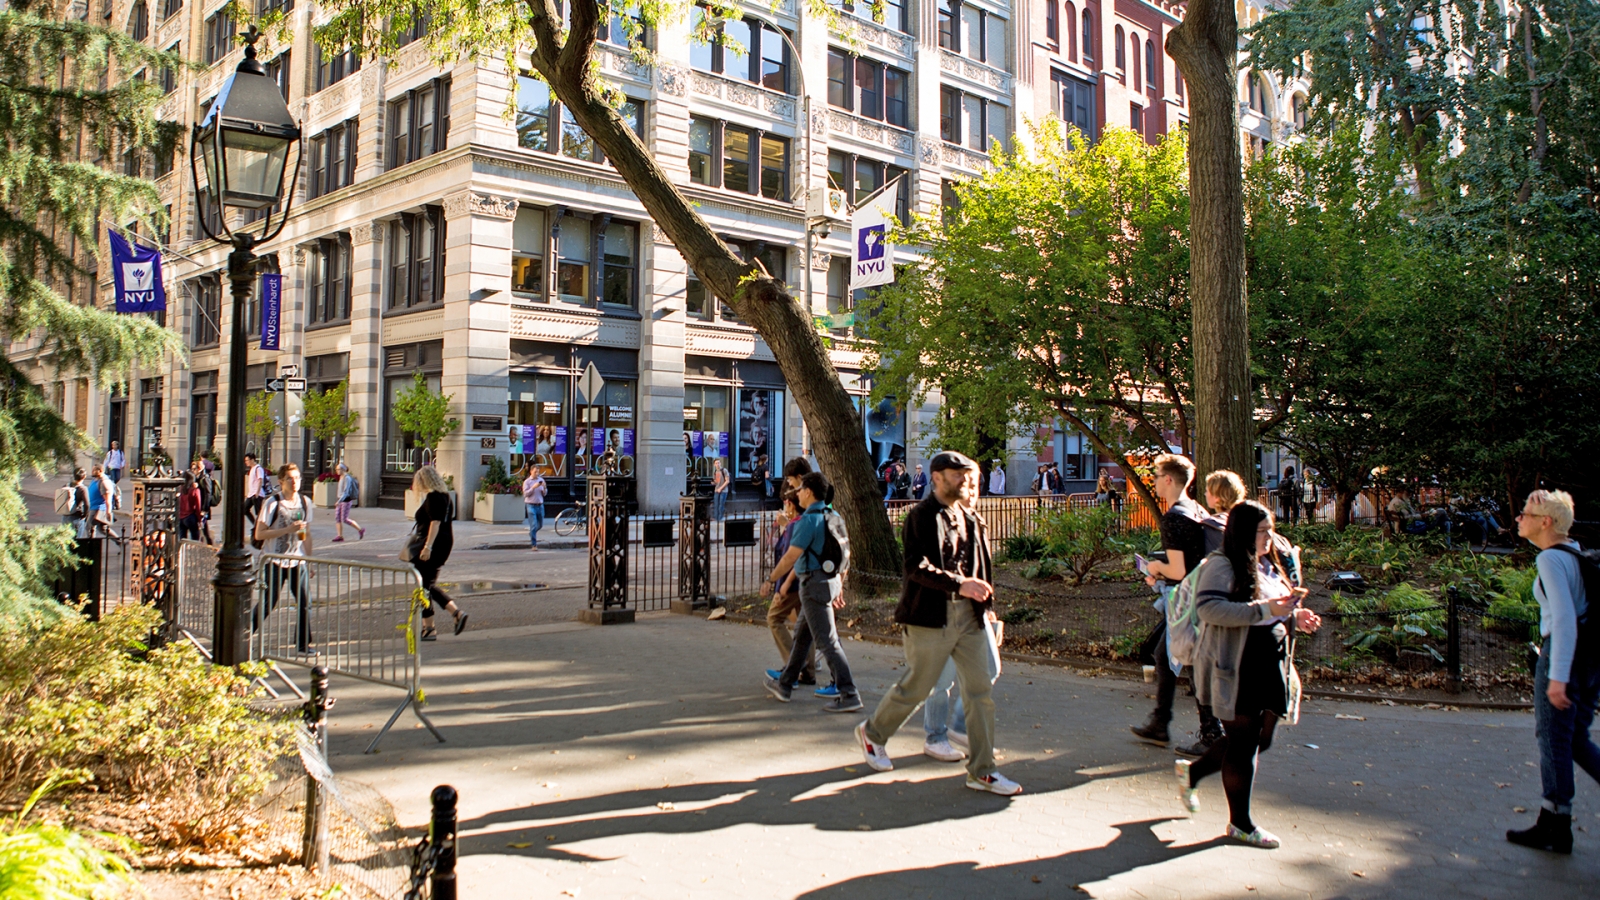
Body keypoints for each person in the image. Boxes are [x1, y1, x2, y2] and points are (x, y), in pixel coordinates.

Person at [853, 451, 1020, 794]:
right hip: (930, 617)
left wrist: (987, 608)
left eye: (965, 475)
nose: (964, 481)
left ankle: (982, 771)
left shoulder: (970, 517)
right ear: (938, 477)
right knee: (917, 686)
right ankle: (873, 734)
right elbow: (915, 566)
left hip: (969, 618)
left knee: (979, 691)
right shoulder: (920, 516)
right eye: (957, 475)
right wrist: (961, 584)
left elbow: (980, 570)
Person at [1176, 501, 1322, 848]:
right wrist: (1266, 610)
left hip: (1272, 661)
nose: (1269, 537)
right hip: (1238, 664)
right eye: (1262, 531)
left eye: (1271, 529)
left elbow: (1277, 605)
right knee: (1244, 743)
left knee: (1262, 738)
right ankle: (1240, 823)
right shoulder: (1221, 564)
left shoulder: (1268, 563)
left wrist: (1295, 616)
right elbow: (1209, 608)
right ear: (1242, 531)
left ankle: (1193, 773)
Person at [1506, 489, 1599, 854]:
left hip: (1564, 659)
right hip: (1590, 662)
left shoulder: (1550, 560)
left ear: (1545, 523)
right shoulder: (1576, 554)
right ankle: (1554, 821)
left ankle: (1555, 824)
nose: (1519, 519)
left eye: (1526, 513)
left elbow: (1562, 618)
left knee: (1553, 740)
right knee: (1576, 740)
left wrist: (1557, 676)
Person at [1132, 454, 1218, 749]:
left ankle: (1211, 732)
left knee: (1190, 661)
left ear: (1169, 480)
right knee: (1163, 655)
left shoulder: (1173, 517)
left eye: (1156, 477)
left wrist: (1155, 569)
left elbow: (1178, 570)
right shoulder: (1196, 509)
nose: (1153, 482)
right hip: (1200, 595)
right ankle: (1160, 722)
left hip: (1185, 600)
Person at [759, 471, 863, 713]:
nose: (797, 494)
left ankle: (849, 692)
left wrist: (770, 579)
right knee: (802, 635)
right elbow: (846, 554)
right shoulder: (833, 516)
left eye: (800, 489)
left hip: (813, 585)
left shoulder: (809, 520)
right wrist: (839, 585)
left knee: (828, 641)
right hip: (829, 581)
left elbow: (790, 557)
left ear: (808, 491)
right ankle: (785, 684)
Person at [921, 466, 1004, 763]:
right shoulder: (939, 520)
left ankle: (958, 727)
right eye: (966, 482)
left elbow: (982, 571)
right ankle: (936, 735)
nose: (971, 489)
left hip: (975, 613)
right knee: (941, 679)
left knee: (989, 669)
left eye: (975, 483)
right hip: (945, 610)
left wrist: (989, 609)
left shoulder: (976, 521)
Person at [254, 464, 315, 653]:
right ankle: (244, 633)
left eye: (297, 478)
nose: (294, 482)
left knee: (305, 602)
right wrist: (286, 530)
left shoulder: (304, 502)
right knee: (268, 602)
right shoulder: (272, 503)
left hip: (297, 559)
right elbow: (259, 534)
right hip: (274, 560)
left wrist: (310, 560)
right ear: (281, 481)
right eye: (290, 478)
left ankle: (303, 644)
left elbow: (305, 533)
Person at [763, 491, 819, 689]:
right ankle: (808, 670)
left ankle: (793, 665)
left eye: (785, 502)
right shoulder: (801, 522)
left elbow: (788, 558)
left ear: (790, 504)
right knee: (805, 626)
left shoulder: (795, 524)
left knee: (774, 617)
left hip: (794, 583)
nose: (784, 505)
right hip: (804, 582)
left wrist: (777, 585)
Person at [407, 466, 467, 641]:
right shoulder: (446, 497)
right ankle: (433, 625)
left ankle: (449, 616)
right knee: (426, 586)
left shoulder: (433, 497)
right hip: (443, 544)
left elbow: (435, 523)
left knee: (425, 587)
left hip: (433, 546)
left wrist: (427, 547)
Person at [85, 464, 119, 544]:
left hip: (99, 508)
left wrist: (108, 512)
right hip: (93, 507)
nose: (92, 472)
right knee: (103, 529)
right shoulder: (95, 480)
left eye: (94, 470)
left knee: (89, 527)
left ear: (101, 471)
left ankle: (91, 546)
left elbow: (108, 499)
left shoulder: (104, 482)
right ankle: (119, 541)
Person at [331, 462, 365, 542]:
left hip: (346, 500)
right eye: (336, 469)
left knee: (344, 519)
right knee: (337, 518)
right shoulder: (341, 477)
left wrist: (339, 501)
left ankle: (360, 529)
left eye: (338, 469)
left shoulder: (347, 478)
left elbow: (346, 492)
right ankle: (339, 536)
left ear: (343, 469)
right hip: (340, 500)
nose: (337, 471)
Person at [522, 465, 548, 550]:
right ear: (531, 471)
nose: (537, 473)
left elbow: (544, 494)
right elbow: (525, 494)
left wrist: (544, 487)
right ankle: (534, 544)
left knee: (540, 525)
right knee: (533, 525)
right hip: (530, 505)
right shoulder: (527, 482)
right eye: (535, 472)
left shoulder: (541, 480)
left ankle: (531, 533)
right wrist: (533, 488)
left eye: (538, 472)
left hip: (540, 505)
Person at [59, 469, 90, 538]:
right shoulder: (83, 489)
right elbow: (87, 504)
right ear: (84, 477)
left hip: (65, 515)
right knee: (76, 540)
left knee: (65, 538)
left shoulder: (66, 486)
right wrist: (84, 515)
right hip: (76, 517)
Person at [243, 452, 268, 532]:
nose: (246, 462)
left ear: (252, 459)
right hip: (251, 494)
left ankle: (259, 527)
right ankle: (255, 525)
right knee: (244, 509)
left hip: (257, 494)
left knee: (258, 512)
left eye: (247, 460)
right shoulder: (252, 469)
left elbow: (260, 480)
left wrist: (257, 492)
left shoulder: (258, 468)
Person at [177, 472, 202, 541]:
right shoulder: (195, 490)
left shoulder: (179, 489)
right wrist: (199, 520)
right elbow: (198, 506)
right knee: (195, 539)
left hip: (181, 517)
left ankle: (181, 551)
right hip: (190, 516)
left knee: (182, 540)